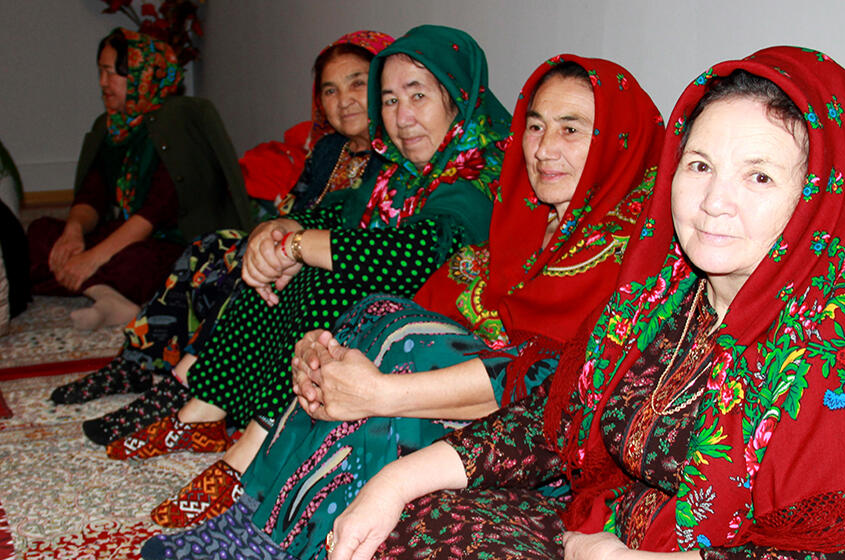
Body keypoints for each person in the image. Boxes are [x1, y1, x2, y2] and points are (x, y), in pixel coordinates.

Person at [324, 46, 845, 560]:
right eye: (700, 165)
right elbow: (556, 421)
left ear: (822, 196)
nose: (713, 202)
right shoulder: (666, 299)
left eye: (759, 176)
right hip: (609, 532)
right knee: (420, 521)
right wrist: (395, 483)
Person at [139, 55, 665, 560]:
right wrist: (327, 353)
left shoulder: (636, 254)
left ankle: (282, 536)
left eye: (571, 129)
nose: (544, 149)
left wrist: (381, 390)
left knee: (399, 359)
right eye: (535, 126)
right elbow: (415, 300)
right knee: (378, 318)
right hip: (476, 402)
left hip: (536, 446)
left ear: (617, 138)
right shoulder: (523, 219)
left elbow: (557, 388)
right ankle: (259, 515)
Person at [112, 24, 511, 529]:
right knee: (285, 268)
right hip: (393, 313)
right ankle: (209, 405)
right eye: (388, 100)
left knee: (334, 277)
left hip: (458, 337)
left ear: (457, 97)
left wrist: (298, 245)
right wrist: (282, 234)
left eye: (418, 96)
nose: (401, 118)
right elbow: (340, 208)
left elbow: (412, 252)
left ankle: (254, 450)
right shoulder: (399, 171)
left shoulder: (480, 172)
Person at [49, 30, 395, 446]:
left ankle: (185, 386)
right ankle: (138, 362)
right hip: (293, 245)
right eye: (330, 90)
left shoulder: (395, 150)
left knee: (237, 270)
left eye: (358, 82)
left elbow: (366, 238)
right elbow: (297, 209)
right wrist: (272, 239)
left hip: (335, 264)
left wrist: (278, 248)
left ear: (382, 84)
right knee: (208, 248)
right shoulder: (329, 150)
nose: (344, 100)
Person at [27, 28, 253, 330]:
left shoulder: (178, 121)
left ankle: (92, 284)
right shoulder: (113, 126)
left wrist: (92, 259)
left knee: (139, 265)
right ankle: (105, 295)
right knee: (40, 235)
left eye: (111, 73)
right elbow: (92, 194)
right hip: (123, 234)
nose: (103, 83)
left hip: (170, 243)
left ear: (139, 74)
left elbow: (155, 211)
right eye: (101, 72)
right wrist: (73, 232)